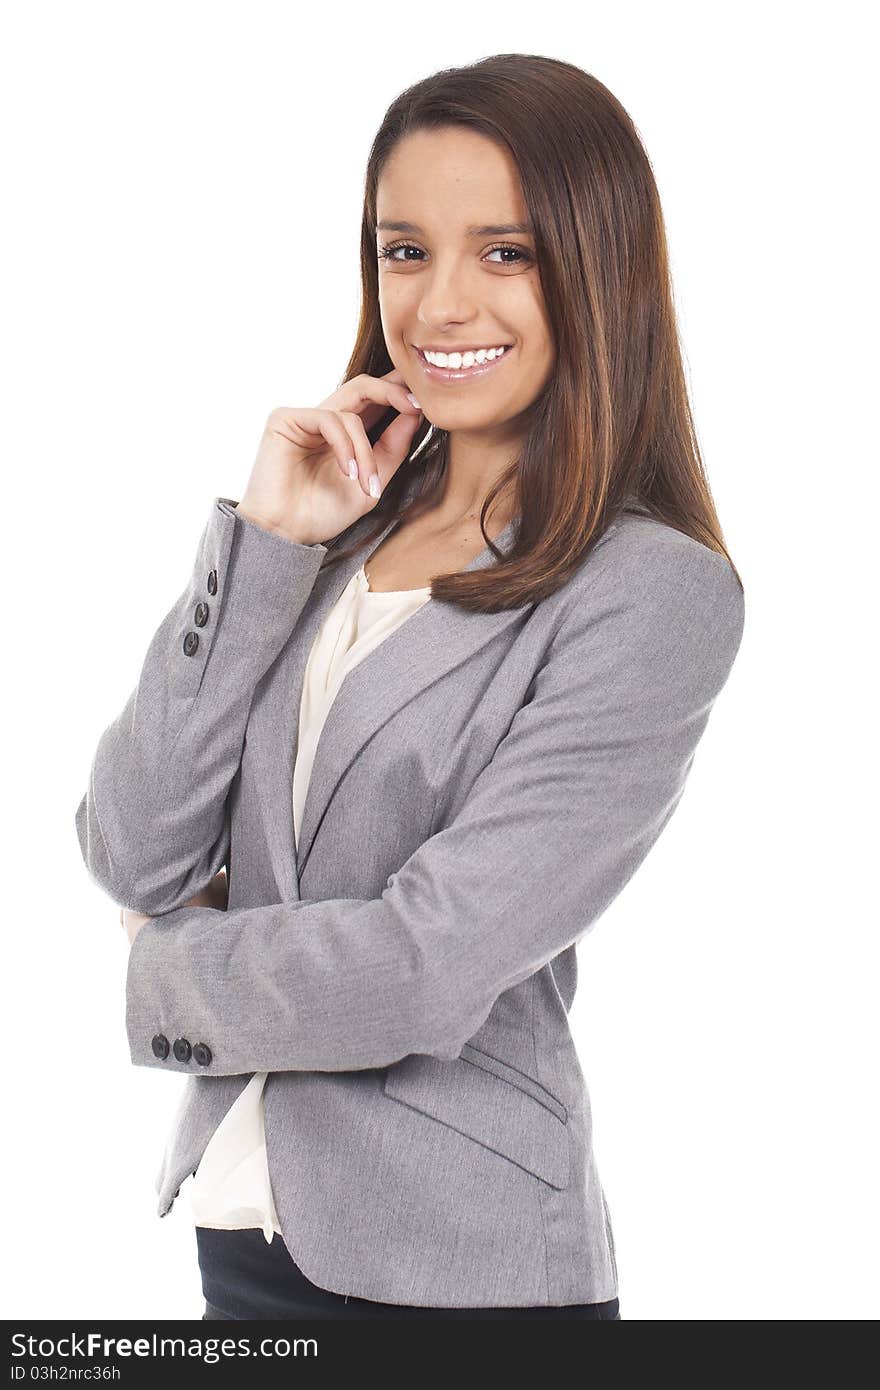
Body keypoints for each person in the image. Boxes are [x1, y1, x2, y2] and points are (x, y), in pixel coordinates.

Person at [76, 53, 745, 1321]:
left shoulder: (650, 592)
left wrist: (171, 960)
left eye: (505, 252)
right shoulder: (334, 534)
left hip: (457, 1271)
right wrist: (269, 545)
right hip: (243, 1231)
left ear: (596, 270)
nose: (440, 304)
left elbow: (423, 967)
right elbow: (132, 841)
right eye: (403, 251)